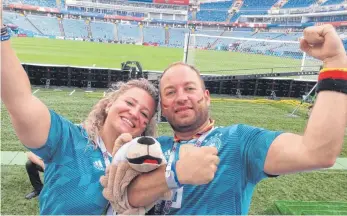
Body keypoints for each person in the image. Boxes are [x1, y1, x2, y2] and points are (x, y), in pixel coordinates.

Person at [101, 24, 347, 215]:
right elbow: (126, 196)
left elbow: (317, 152)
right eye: (170, 92)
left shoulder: (240, 142)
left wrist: (334, 62)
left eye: (189, 88)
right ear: (163, 108)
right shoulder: (154, 148)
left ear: (206, 97)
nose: (181, 97)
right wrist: (174, 173)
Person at [1, 24, 159, 214]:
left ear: (145, 127)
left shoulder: (141, 162)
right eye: (130, 103)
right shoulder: (68, 140)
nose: (135, 113)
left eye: (144, 114)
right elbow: (20, 101)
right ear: (109, 104)